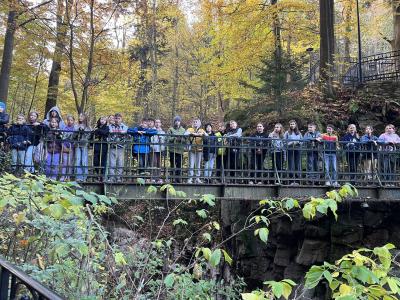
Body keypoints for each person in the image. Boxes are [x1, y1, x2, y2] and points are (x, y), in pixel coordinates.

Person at [108, 113, 128, 182]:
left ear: (121, 119)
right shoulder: (110, 126)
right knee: (111, 163)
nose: (117, 120)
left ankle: (119, 177)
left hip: (121, 147)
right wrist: (120, 133)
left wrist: (121, 133)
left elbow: (125, 133)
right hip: (112, 146)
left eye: (119, 118)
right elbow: (110, 133)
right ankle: (111, 177)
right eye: (116, 118)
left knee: (120, 163)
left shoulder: (124, 126)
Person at [185, 118, 207, 184]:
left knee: (198, 164)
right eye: (194, 122)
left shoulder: (201, 130)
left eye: (196, 122)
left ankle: (197, 178)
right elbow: (185, 134)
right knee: (191, 164)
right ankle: (190, 178)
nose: (195, 123)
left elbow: (207, 135)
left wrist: (202, 134)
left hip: (199, 149)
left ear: (199, 124)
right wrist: (192, 134)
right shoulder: (190, 129)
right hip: (192, 149)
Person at [167, 116, 186, 183]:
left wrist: (181, 139)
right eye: (176, 121)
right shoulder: (170, 129)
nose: (177, 122)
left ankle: (178, 178)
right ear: (174, 122)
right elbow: (168, 139)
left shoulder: (183, 130)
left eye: (178, 121)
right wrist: (175, 138)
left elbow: (186, 139)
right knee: (173, 164)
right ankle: (173, 178)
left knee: (179, 165)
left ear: (180, 122)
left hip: (180, 150)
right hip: (172, 149)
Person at [73, 113, 91, 181]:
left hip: (84, 145)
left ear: (85, 118)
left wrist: (83, 131)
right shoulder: (76, 126)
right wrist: (78, 131)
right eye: (79, 116)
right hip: (77, 145)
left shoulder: (88, 127)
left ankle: (84, 177)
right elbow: (73, 136)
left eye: (81, 116)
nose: (80, 117)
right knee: (77, 160)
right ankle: (78, 177)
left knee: (84, 161)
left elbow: (89, 137)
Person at [284, 120, 303, 185]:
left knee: (297, 164)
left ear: (295, 125)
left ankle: (297, 180)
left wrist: (298, 142)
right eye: (291, 124)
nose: (292, 125)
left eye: (293, 124)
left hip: (297, 149)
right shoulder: (287, 133)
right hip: (290, 149)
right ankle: (291, 179)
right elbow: (284, 141)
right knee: (291, 164)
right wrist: (290, 143)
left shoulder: (299, 133)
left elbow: (302, 141)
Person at [60, 115, 76, 181]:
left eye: (71, 120)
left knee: (70, 162)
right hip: (64, 147)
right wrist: (64, 147)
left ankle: (68, 176)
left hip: (71, 147)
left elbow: (76, 139)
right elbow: (61, 138)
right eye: (68, 120)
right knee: (64, 161)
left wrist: (72, 147)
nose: (70, 121)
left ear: (73, 121)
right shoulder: (64, 128)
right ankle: (63, 176)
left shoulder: (75, 129)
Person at [150, 119, 165, 183]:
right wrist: (152, 146)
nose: (157, 124)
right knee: (154, 163)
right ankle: (153, 177)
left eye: (159, 122)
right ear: (154, 123)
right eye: (156, 122)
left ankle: (158, 178)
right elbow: (150, 140)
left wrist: (162, 147)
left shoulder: (163, 132)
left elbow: (164, 141)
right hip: (153, 149)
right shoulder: (151, 131)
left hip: (160, 149)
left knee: (159, 163)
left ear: (160, 124)